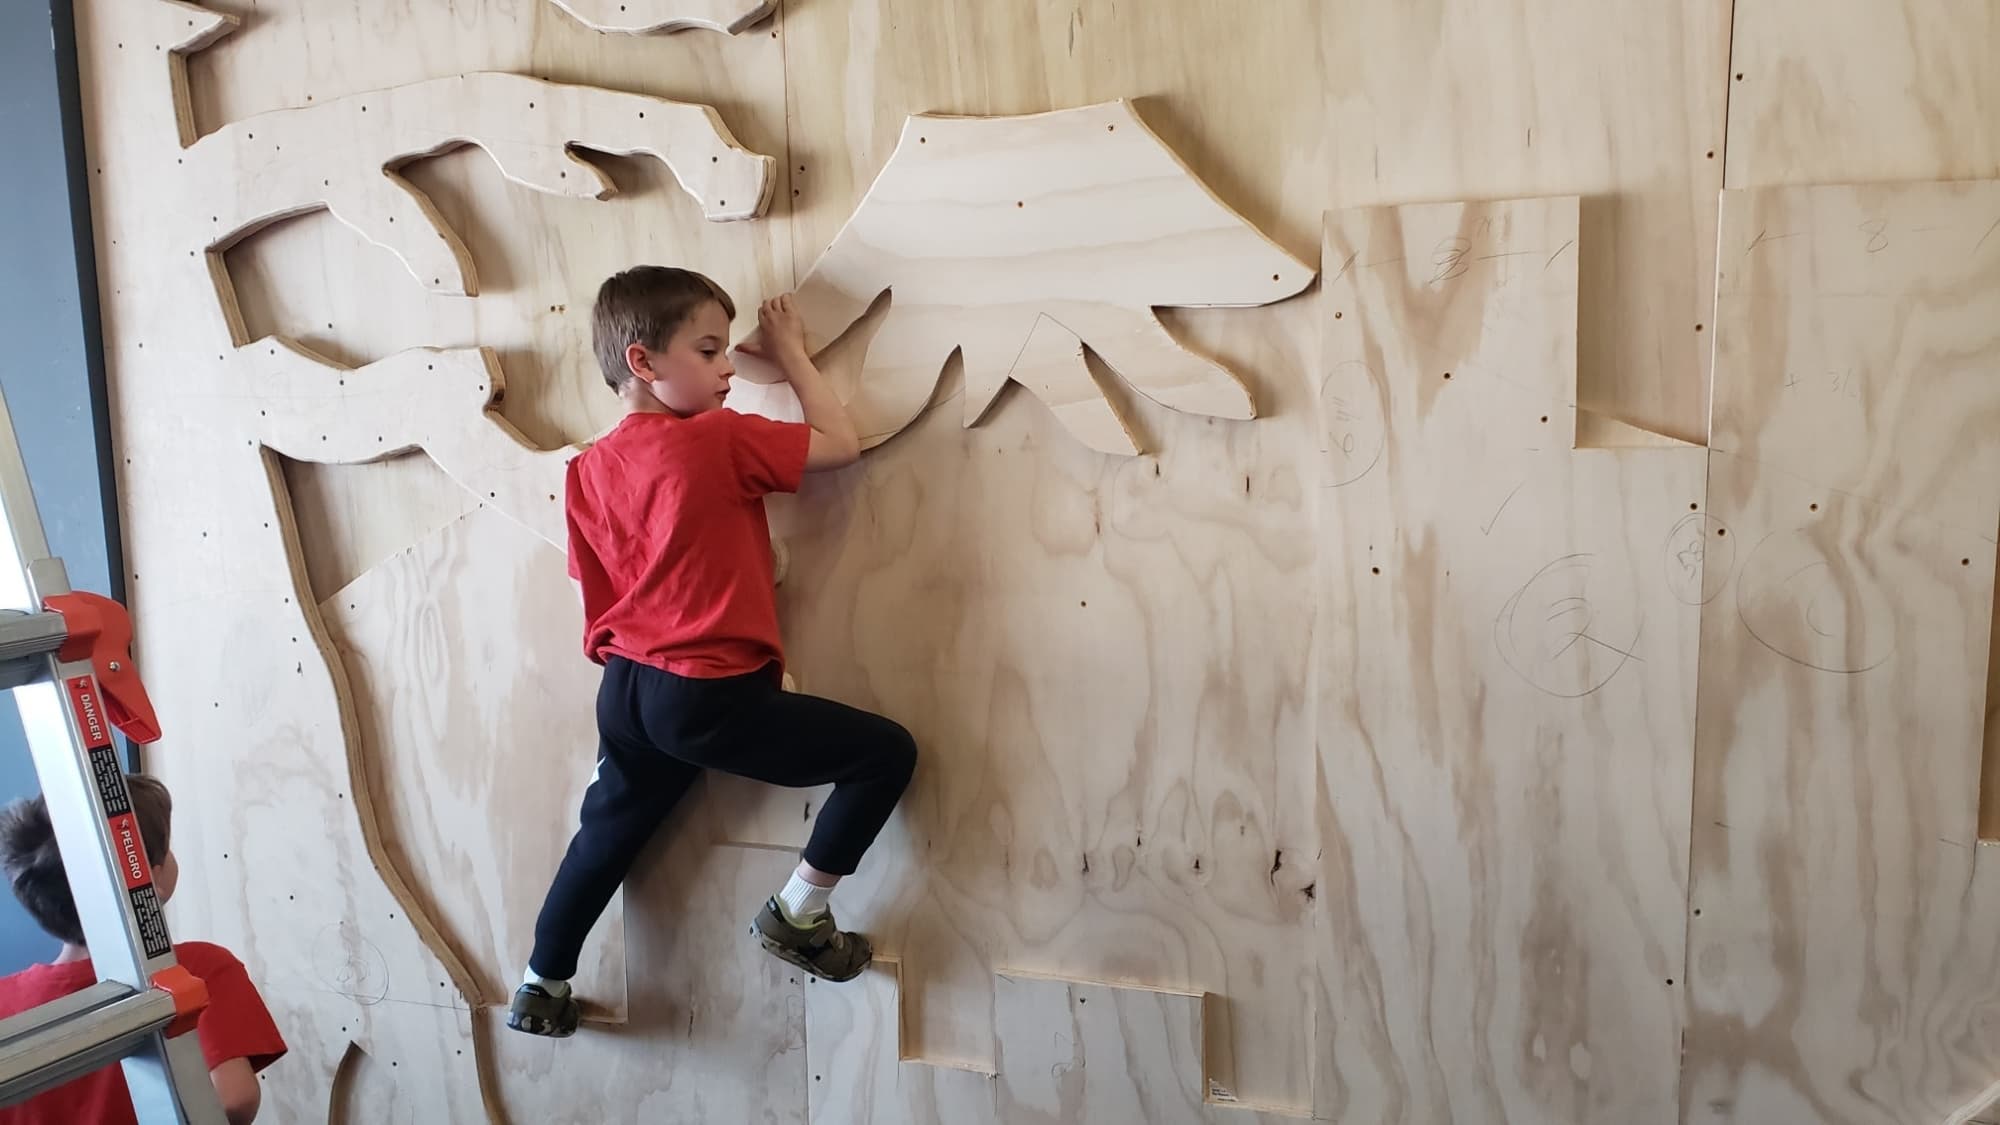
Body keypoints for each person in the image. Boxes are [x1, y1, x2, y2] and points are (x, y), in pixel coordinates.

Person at [508, 266, 919, 1038]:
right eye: (709, 348)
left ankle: (542, 979)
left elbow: (590, 587)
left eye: (729, 349)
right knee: (885, 754)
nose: (728, 365)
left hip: (628, 688)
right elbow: (840, 444)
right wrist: (791, 353)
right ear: (643, 362)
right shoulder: (716, 440)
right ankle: (800, 910)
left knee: (607, 831)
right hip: (704, 691)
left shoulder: (585, 470)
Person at [0, 774, 286, 1124]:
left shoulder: (5, 1002)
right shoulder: (199, 967)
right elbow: (233, 1100)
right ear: (149, 881)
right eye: (168, 846)